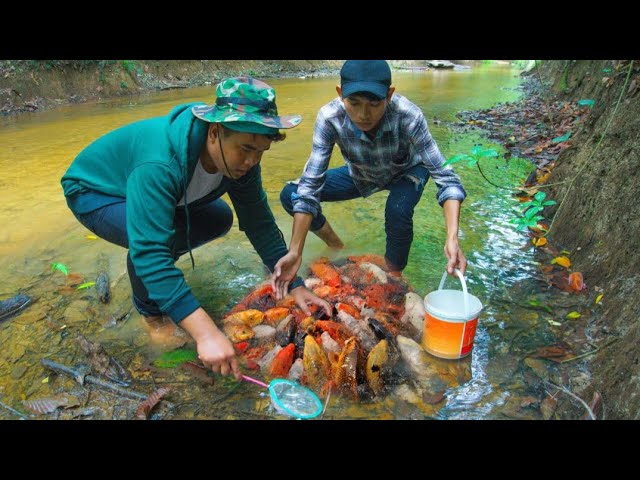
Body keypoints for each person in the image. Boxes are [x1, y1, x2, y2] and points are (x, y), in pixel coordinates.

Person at [61, 76, 331, 380]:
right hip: (97, 192)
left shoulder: (241, 161)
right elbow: (151, 252)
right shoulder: (161, 162)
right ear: (214, 132)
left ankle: (160, 279)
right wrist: (205, 332)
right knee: (156, 244)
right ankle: (151, 315)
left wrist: (295, 286)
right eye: (245, 149)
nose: (252, 161)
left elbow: (259, 222)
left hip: (145, 190)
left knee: (220, 218)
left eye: (260, 152)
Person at [272, 60, 467, 299]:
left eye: (374, 104)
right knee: (291, 193)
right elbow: (311, 184)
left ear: (390, 94)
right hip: (362, 173)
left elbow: (446, 177)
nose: (364, 115)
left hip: (407, 170)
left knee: (397, 209)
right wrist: (295, 251)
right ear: (340, 94)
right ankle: (336, 246)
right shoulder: (329, 117)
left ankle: (395, 280)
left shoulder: (408, 115)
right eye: (354, 103)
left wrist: (452, 238)